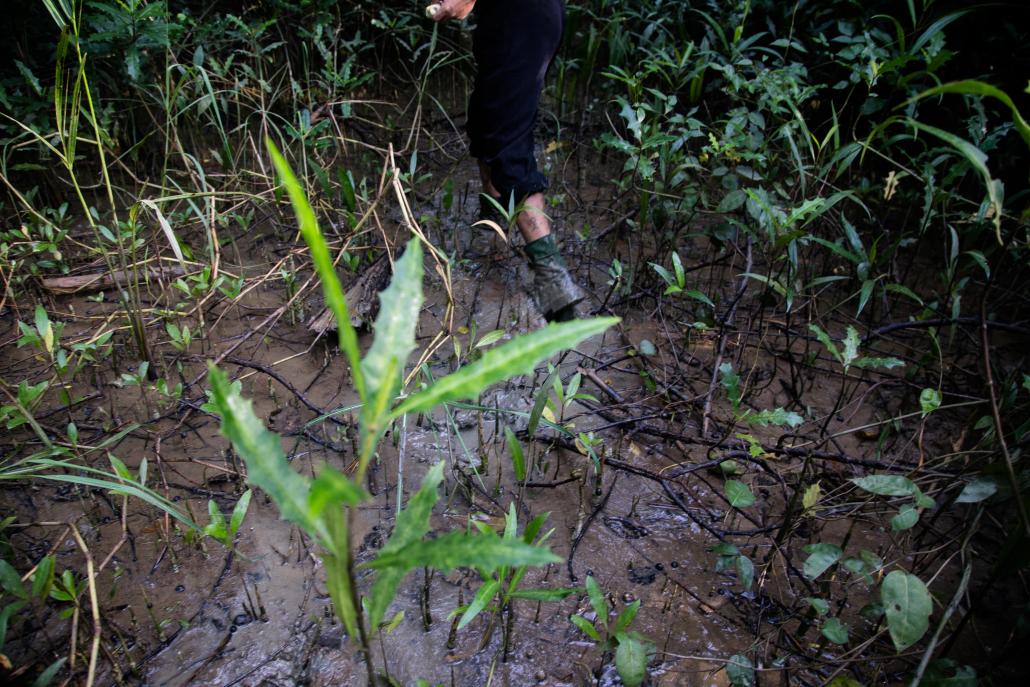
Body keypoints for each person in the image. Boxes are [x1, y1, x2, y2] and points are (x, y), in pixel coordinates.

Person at [429, 0, 585, 321]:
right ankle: (493, 241)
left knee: (508, 150)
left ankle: (557, 290)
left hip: (524, 18)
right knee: (485, 124)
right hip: (507, 22)